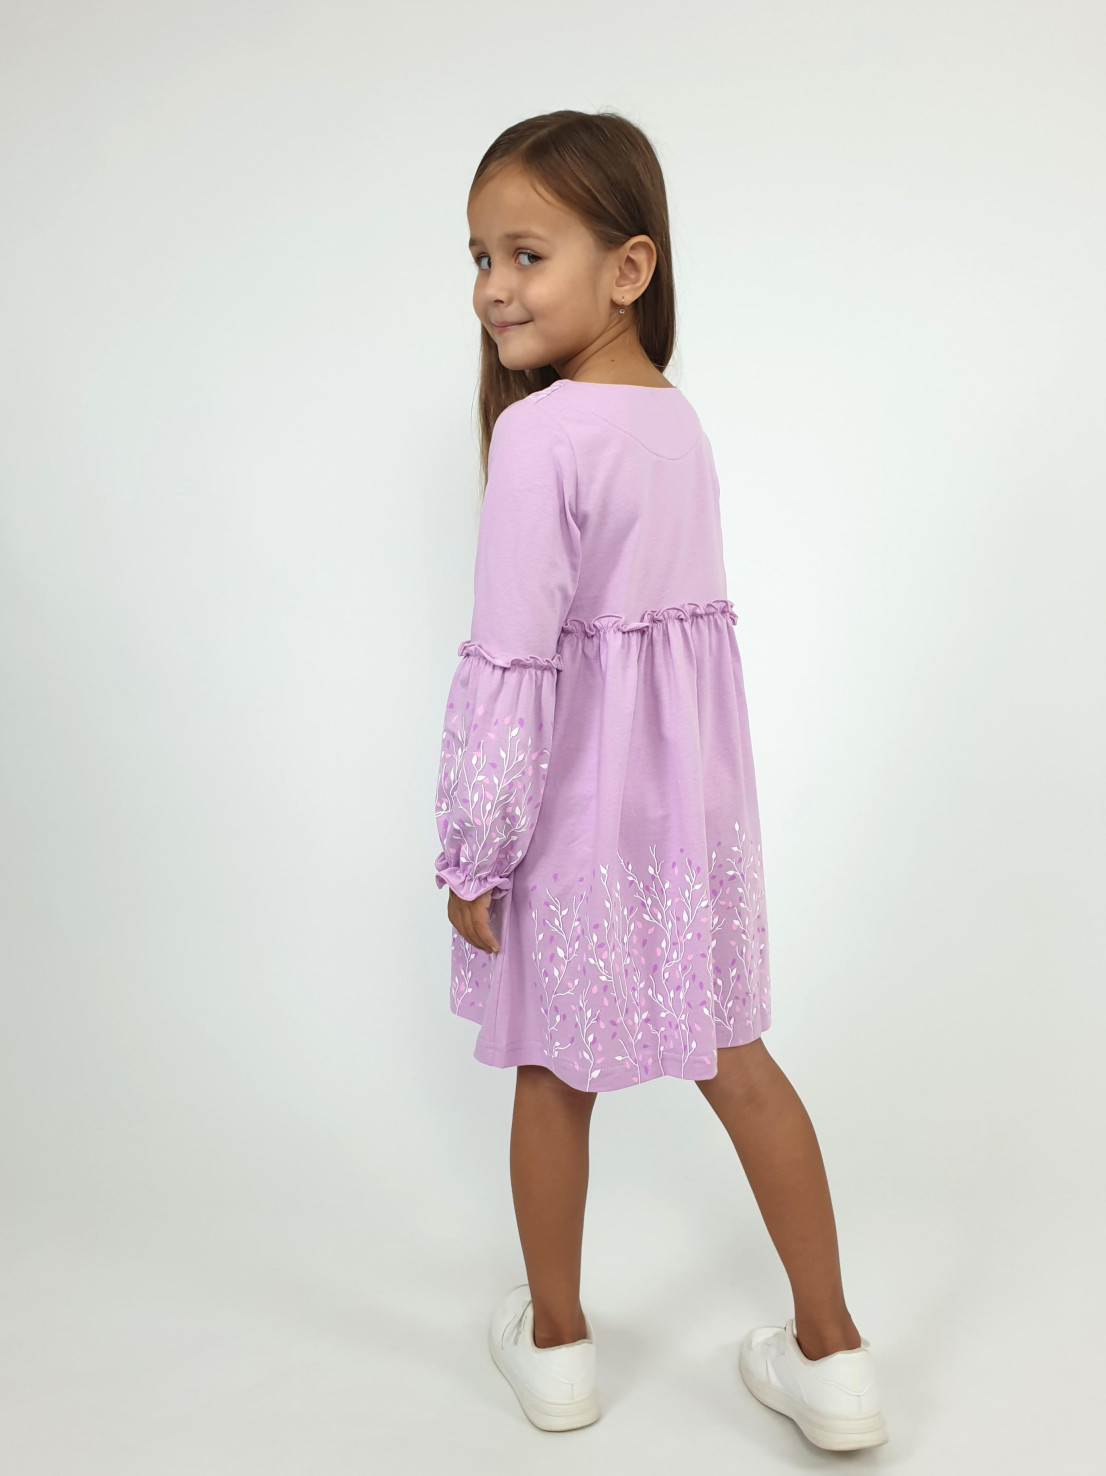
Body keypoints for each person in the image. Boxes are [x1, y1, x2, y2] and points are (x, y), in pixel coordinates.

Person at [432, 109, 888, 1451]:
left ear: (629, 268)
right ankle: (834, 1356)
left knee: (547, 1069)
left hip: (569, 818)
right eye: (478, 258)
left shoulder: (542, 436)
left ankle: (558, 1349)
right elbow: (674, 654)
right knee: (736, 1061)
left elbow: (515, 662)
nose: (493, 288)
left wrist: (474, 849)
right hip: (690, 822)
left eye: (526, 253)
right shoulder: (674, 424)